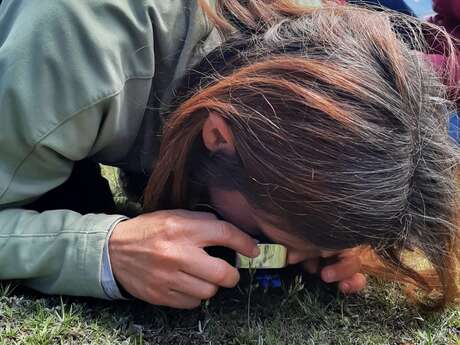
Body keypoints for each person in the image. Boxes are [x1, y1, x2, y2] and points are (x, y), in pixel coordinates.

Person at [0, 0, 458, 310]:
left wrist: (334, 228)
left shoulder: (317, 47)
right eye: (268, 235)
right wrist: (103, 249)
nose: (282, 257)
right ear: (218, 136)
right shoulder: (74, 55)